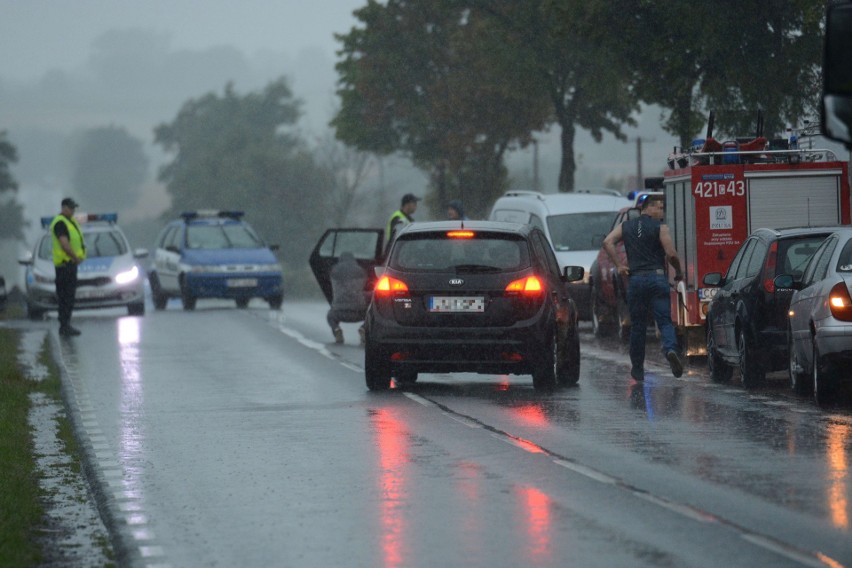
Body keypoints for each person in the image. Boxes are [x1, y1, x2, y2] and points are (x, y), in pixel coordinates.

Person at [602, 194, 683, 381]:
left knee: (637, 326)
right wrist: (678, 272)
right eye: (659, 207)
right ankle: (671, 349)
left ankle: (637, 369)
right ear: (648, 208)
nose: (661, 211)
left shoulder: (626, 226)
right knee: (664, 321)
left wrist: (619, 265)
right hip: (657, 279)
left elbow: (607, 242)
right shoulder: (660, 227)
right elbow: (671, 253)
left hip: (636, 280)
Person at [50, 197, 86, 336]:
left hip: (69, 265)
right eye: (71, 208)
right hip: (65, 265)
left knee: (69, 296)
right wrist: (75, 257)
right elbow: (64, 244)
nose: (73, 210)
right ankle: (64, 326)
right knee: (65, 297)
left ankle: (66, 324)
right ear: (63, 207)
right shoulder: (60, 223)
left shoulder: (70, 221)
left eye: (74, 208)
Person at [327, 252, 369, 345]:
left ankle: (336, 329)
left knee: (330, 316)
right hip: (359, 312)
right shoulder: (361, 271)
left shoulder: (334, 271)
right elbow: (363, 287)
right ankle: (364, 328)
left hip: (339, 312)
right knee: (372, 315)